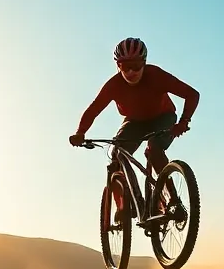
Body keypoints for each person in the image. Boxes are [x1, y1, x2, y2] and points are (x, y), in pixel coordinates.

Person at [69, 37, 200, 221]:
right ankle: (124, 206)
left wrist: (184, 122)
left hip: (163, 116)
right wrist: (80, 133)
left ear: (144, 63)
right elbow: (93, 110)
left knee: (154, 149)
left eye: (136, 65)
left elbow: (192, 95)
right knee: (116, 158)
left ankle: (173, 201)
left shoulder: (156, 75)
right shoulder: (114, 85)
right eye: (125, 66)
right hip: (135, 121)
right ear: (118, 66)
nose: (131, 72)